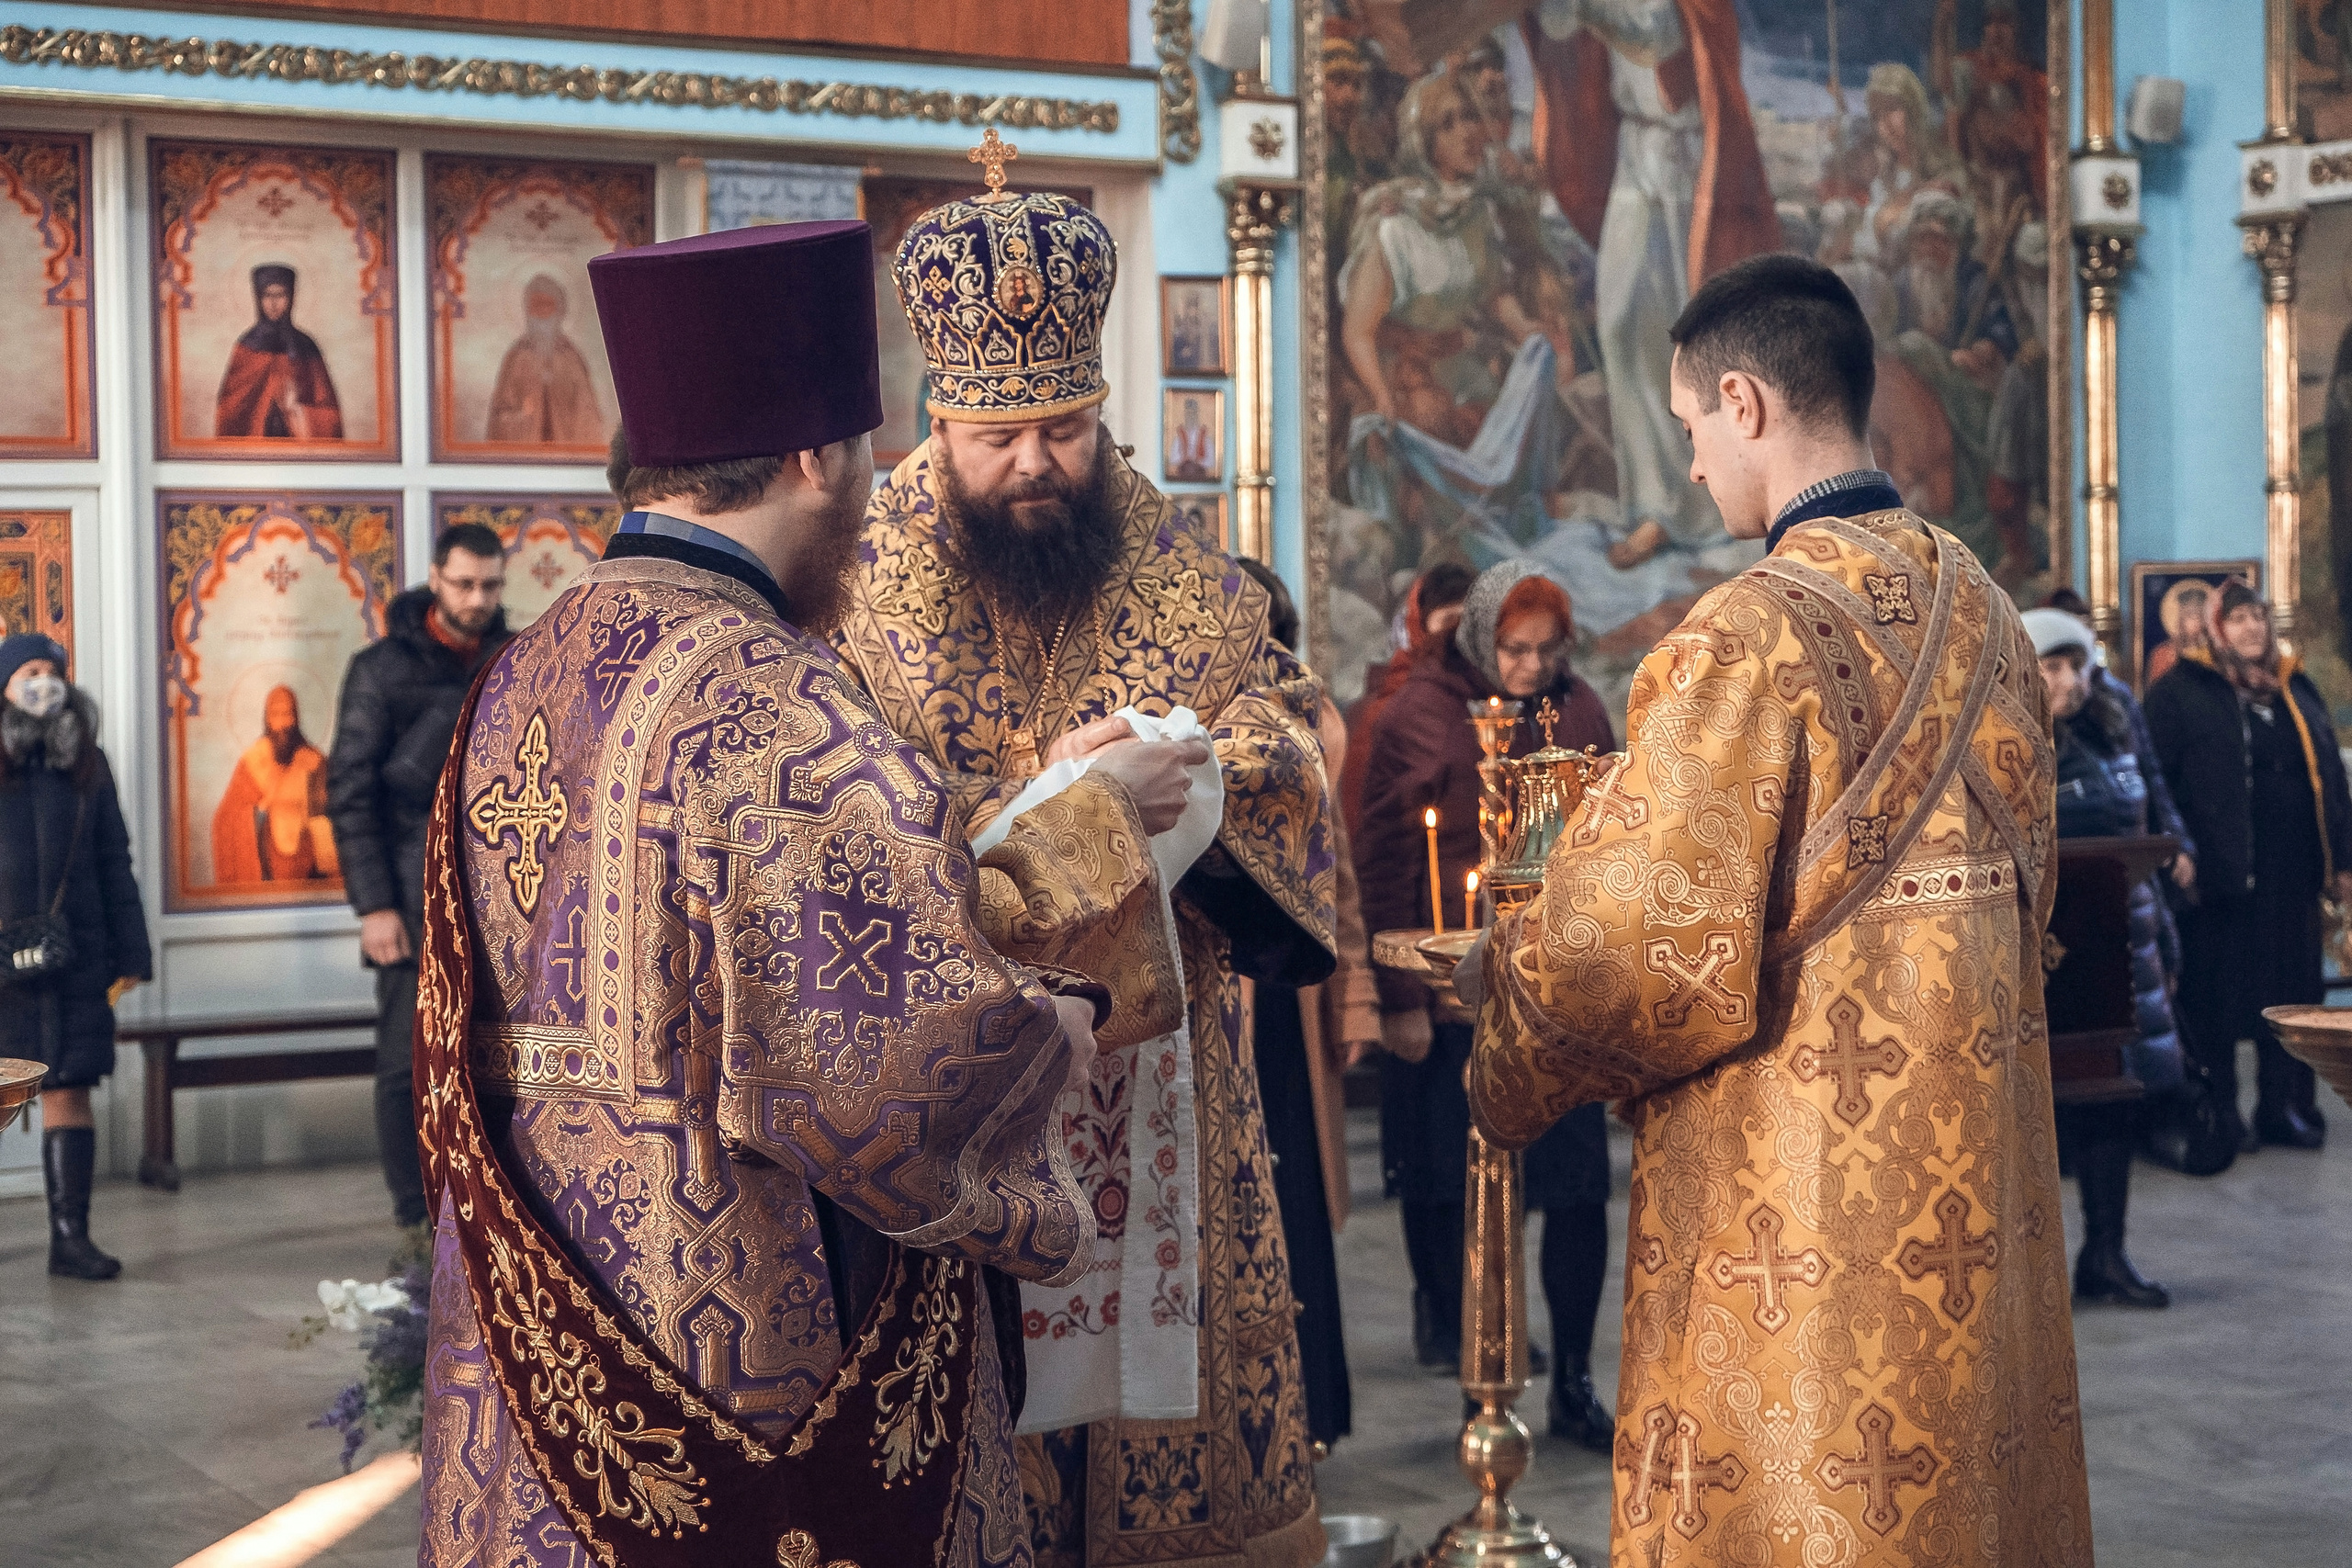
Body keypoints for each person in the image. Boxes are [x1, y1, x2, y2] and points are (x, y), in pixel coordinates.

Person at [415, 220, 1198, 1568]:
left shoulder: (525, 666)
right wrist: (1057, 1015)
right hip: (752, 1334)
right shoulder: (769, 695)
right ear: (810, 456)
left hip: (542, 1325)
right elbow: (888, 1075)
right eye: (855, 462)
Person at [1463, 254, 2090, 1564]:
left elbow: (1623, 954)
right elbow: (2037, 907)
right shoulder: (1989, 615)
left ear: (1742, 402)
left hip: (1793, 1219)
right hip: (1980, 1208)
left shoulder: (1744, 637)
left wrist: (1504, 1028)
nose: (1691, 468)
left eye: (1690, 431)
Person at [835, 174, 1336, 1568]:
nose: (1037, 462)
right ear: (939, 418)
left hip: (1171, 1085)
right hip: (969, 1088)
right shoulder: (858, 580)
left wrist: (1203, 760)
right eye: (1000, 433)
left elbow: (1293, 731)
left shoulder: (1177, 562)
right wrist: (1062, 809)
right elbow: (834, 822)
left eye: (1064, 426)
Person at [1355, 558, 1618, 1450]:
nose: (1529, 669)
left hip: (1554, 996)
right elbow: (1388, 855)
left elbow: (1615, 828)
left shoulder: (1576, 708)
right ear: (1478, 639)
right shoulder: (1422, 711)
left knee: (1576, 1193)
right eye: (1513, 650)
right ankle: (1483, 1386)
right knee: (1472, 1202)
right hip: (1453, 988)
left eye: (1547, 652)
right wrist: (1400, 998)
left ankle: (1574, 1381)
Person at [1523, 0, 1780, 568]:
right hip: (1637, 154)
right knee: (1617, 321)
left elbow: (1657, 40)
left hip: (1689, 161)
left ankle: (1711, 505)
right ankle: (1652, 507)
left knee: (1692, 333)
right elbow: (1563, 31)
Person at [325, 525, 511, 1230]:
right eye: (464, 584)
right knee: (406, 1057)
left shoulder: (511, 657)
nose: (477, 599)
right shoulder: (379, 669)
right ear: (436, 577)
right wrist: (374, 905)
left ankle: (480, 1205)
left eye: (490, 585)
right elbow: (349, 792)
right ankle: (413, 1215)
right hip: (406, 892)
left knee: (490, 1053)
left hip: (496, 895)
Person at [1238, 556, 1377, 1454]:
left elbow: (1342, 878)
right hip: (1223, 999)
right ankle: (1252, 1418)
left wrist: (1358, 1002)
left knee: (1294, 1211)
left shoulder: (1304, 717)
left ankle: (1311, 1413)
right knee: (1241, 1202)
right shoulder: (1185, 720)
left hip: (1287, 996)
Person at [2144, 581, 2352, 1152]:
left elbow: (2331, 781)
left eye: (2259, 617)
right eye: (2238, 619)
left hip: (2292, 879)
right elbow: (2153, 779)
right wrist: (2173, 851)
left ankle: (2286, 1108)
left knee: (2294, 1000)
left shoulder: (2295, 688)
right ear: (2215, 628)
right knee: (2217, 1002)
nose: (2252, 628)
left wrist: (2343, 860)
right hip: (2220, 879)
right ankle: (2221, 1114)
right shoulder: (2181, 691)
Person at [2025, 607, 2177, 1308]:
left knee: (2111, 1106)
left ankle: (2107, 1254)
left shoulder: (2116, 728)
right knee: (2045, 1117)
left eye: (2076, 666)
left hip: (2121, 945)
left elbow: (2145, 827)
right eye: (2052, 668)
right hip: (2050, 957)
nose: (2068, 681)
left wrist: (2166, 940)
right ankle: (2034, 1274)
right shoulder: (2014, 745)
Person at [0, 637, 151, 1280]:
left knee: (68, 1086)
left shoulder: (89, 764)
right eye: (28, 672)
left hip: (76, 955)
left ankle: (71, 1237)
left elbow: (115, 861)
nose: (43, 682)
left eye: (51, 671)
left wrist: (133, 949)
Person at [1340, 560, 1473, 837]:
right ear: (1419, 626)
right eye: (1449, 621)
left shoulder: (1495, 695)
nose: (1458, 635)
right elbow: (1365, 815)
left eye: (1468, 622)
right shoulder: (1387, 705)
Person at [211, 685, 333, 885]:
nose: (283, 722)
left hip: (309, 867)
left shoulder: (315, 762)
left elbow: (337, 813)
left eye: (288, 713)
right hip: (269, 865)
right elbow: (225, 820)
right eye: (276, 714)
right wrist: (263, 805)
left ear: (296, 718)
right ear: (267, 719)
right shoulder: (252, 762)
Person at [214, 265, 342, 440]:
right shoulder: (247, 345)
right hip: (255, 447)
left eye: (280, 295)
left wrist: (296, 409)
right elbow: (228, 410)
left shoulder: (306, 346)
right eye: (267, 295)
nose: (273, 303)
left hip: (298, 446)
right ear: (258, 298)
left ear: (290, 298)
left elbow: (329, 413)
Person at [485, 274, 605, 445]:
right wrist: (522, 415)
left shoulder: (570, 356)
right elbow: (500, 415)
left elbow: (587, 413)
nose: (541, 312)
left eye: (547, 304)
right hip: (525, 452)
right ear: (527, 309)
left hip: (567, 451)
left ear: (559, 309)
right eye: (536, 305)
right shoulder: (517, 356)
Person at [1167, 394, 1216, 480]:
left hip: (1200, 476)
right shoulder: (1179, 437)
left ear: (1197, 414)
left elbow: (1211, 462)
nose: (1190, 415)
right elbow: (1173, 459)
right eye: (1188, 412)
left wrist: (1197, 461)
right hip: (1183, 476)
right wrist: (1185, 458)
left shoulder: (1205, 437)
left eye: (1193, 412)